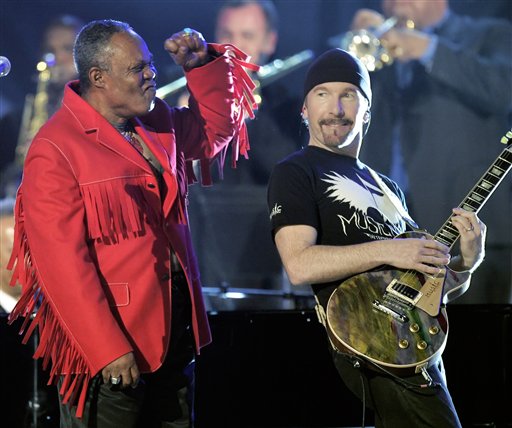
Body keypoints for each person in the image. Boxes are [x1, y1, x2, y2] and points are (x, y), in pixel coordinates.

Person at [6, 19, 257, 426]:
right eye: (137, 68)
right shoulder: (56, 148)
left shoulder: (155, 121)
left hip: (173, 334)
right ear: (98, 78)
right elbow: (62, 266)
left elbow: (215, 131)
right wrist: (107, 348)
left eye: (150, 65)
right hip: (112, 350)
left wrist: (202, 67)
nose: (151, 75)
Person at [267, 48, 486, 427]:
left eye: (348, 94)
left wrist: (466, 263)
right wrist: (391, 249)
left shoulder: (389, 189)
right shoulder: (295, 172)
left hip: (414, 347)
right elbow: (299, 265)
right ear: (304, 110)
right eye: (322, 94)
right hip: (365, 343)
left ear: (366, 111)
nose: (335, 107)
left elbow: (427, 285)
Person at [344, 0, 512, 303]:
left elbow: (503, 89)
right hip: (397, 234)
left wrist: (427, 47)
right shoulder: (385, 47)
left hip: (468, 231)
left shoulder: (490, 33)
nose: (397, 2)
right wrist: (352, 53)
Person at [187, 0, 306, 302]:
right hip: (200, 247)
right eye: (227, 34)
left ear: (270, 41)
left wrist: (249, 106)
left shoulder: (287, 105)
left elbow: (285, 167)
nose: (233, 47)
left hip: (261, 251)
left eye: (247, 36)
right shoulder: (191, 90)